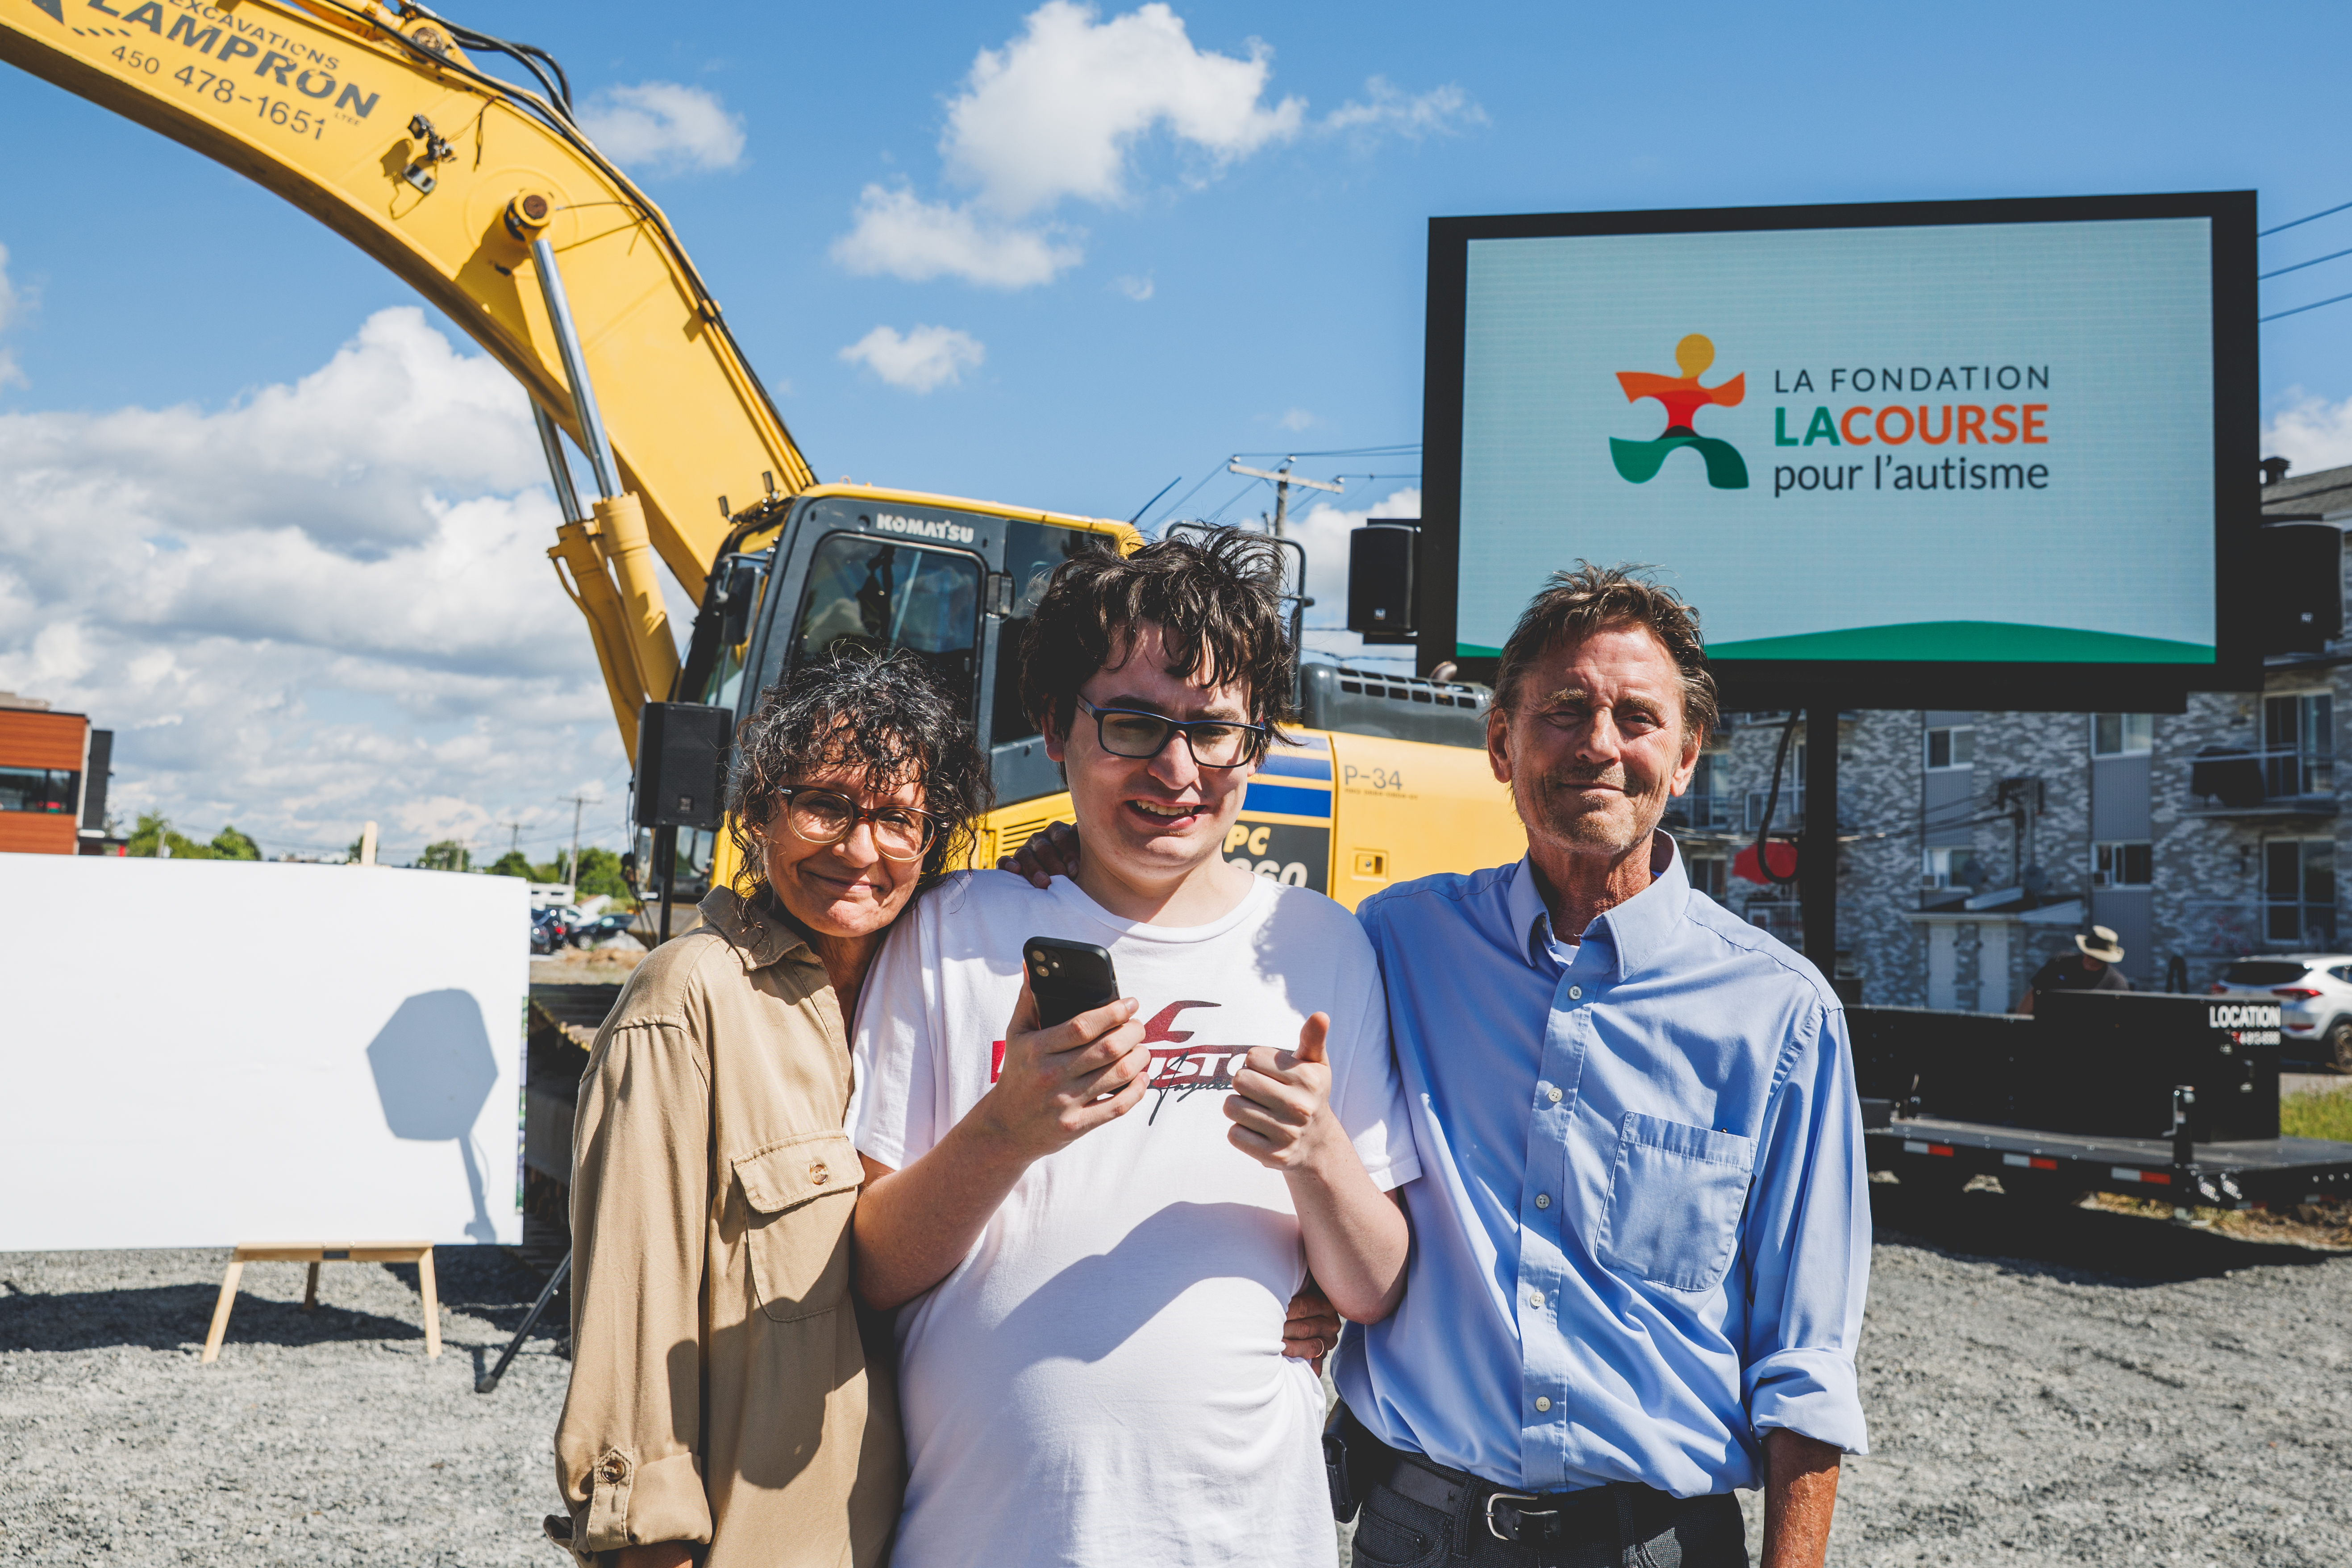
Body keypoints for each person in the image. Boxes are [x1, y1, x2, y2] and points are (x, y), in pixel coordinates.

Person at [1009, 564, 1870, 1568]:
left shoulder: (1780, 1014)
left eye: (1637, 717)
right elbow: (1204, 943)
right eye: (1562, 710)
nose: (1598, 743)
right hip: (1414, 1533)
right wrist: (1071, 857)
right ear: (1500, 744)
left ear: (1684, 757)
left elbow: (1806, 1363)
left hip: (1653, 1543)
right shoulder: (1392, 942)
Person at [848, 528, 1420, 1567]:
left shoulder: (1322, 947)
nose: (1175, 767)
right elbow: (871, 1263)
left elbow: (1373, 1286)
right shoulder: (952, 927)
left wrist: (1318, 1156)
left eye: (1214, 730)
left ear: (1254, 743)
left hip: (1245, 1538)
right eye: (1132, 722)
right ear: (1054, 726)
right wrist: (1006, 1130)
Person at [550, 649, 991, 1568]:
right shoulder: (688, 1000)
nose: (859, 850)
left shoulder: (942, 990)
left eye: (897, 818)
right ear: (758, 811)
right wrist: (650, 1544)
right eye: (823, 805)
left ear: (933, 838)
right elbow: (634, 1318)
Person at [2015, 924, 2131, 1014]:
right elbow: (2034, 993)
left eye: (2099, 959)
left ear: (2107, 960)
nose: (2093, 962)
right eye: (2091, 956)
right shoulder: (2061, 963)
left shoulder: (2116, 984)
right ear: (2085, 951)